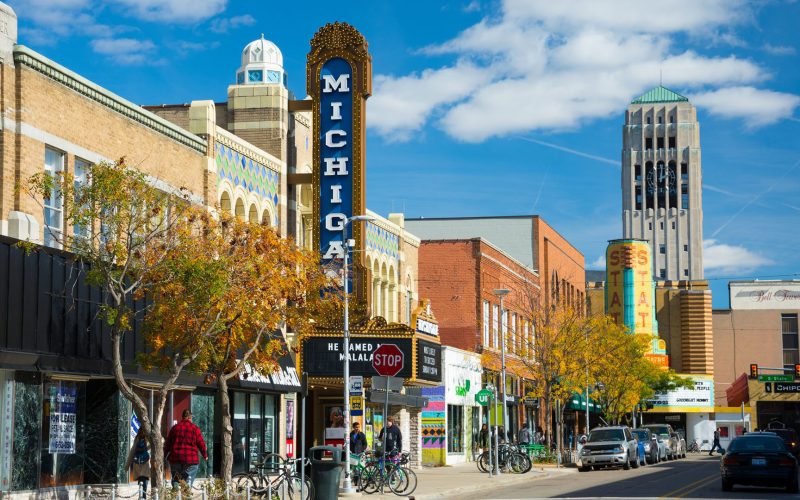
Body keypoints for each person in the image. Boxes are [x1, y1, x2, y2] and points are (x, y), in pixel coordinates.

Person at [165, 409, 208, 487]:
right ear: (189, 417)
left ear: (182, 417)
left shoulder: (174, 428)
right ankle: (186, 491)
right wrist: (205, 455)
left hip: (175, 459)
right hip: (191, 460)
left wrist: (164, 455)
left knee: (176, 480)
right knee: (188, 480)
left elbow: (167, 444)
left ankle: (176, 492)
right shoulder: (195, 428)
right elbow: (201, 443)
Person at [125, 428, 150, 499]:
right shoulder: (148, 439)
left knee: (141, 480)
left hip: (137, 463)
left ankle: (141, 496)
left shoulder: (137, 439)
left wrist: (127, 466)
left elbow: (132, 452)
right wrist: (146, 448)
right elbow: (162, 441)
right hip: (145, 463)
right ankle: (143, 497)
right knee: (145, 479)